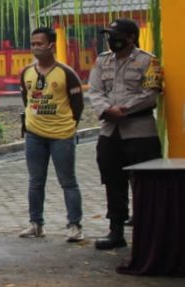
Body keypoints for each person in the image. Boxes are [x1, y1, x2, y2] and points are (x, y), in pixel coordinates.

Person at [87, 18, 163, 250]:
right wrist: (106, 110)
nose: (112, 40)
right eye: (109, 35)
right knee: (113, 181)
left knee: (144, 184)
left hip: (139, 131)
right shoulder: (103, 61)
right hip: (110, 131)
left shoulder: (148, 62)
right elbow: (95, 90)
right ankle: (116, 231)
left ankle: (147, 232)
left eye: (116, 35)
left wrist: (124, 109)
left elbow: (150, 93)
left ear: (131, 37)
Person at [18, 27, 84, 242]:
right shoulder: (27, 73)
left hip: (62, 136)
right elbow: (26, 100)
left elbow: (78, 105)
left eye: (40, 44)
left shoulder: (66, 73)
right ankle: (36, 224)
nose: (36, 48)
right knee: (35, 182)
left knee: (68, 182)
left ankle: (74, 225)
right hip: (34, 136)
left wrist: (70, 127)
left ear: (51, 46)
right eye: (33, 44)